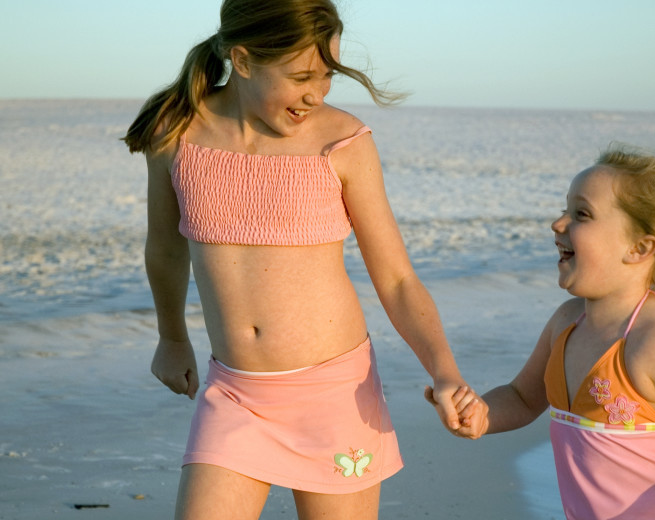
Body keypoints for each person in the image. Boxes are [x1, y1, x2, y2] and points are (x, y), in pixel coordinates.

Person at [122, 1, 471, 518]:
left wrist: (445, 371)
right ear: (242, 61)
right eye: (301, 76)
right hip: (234, 394)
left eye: (327, 75)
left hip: (335, 395)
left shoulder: (342, 142)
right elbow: (165, 247)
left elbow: (397, 280)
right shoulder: (176, 131)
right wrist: (171, 337)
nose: (316, 92)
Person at [428, 146, 655, 519]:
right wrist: (480, 415)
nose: (558, 223)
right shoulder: (566, 323)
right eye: (565, 209)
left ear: (639, 248)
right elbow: (522, 397)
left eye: (581, 214)